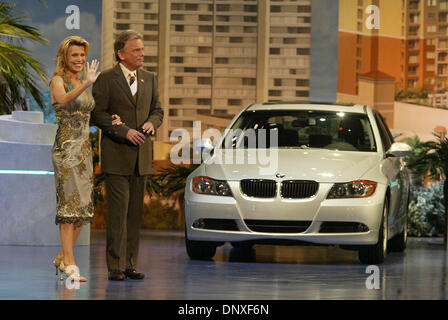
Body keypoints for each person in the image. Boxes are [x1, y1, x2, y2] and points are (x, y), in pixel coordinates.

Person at [92, 30, 164, 281]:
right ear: (121, 54)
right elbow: (98, 114)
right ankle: (116, 266)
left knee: (134, 215)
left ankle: (131, 263)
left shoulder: (149, 78)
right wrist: (123, 131)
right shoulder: (106, 79)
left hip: (141, 158)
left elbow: (158, 110)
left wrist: (153, 123)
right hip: (117, 156)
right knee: (117, 214)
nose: (142, 54)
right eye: (136, 50)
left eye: (142, 49)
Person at [50, 36, 122, 282]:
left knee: (81, 210)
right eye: (75, 56)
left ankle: (62, 255)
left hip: (83, 152)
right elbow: (62, 101)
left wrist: (112, 120)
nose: (79, 60)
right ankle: (69, 264)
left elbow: (85, 115)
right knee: (68, 208)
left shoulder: (82, 82)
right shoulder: (58, 81)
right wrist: (86, 85)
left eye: (82, 55)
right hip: (66, 151)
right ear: (65, 58)